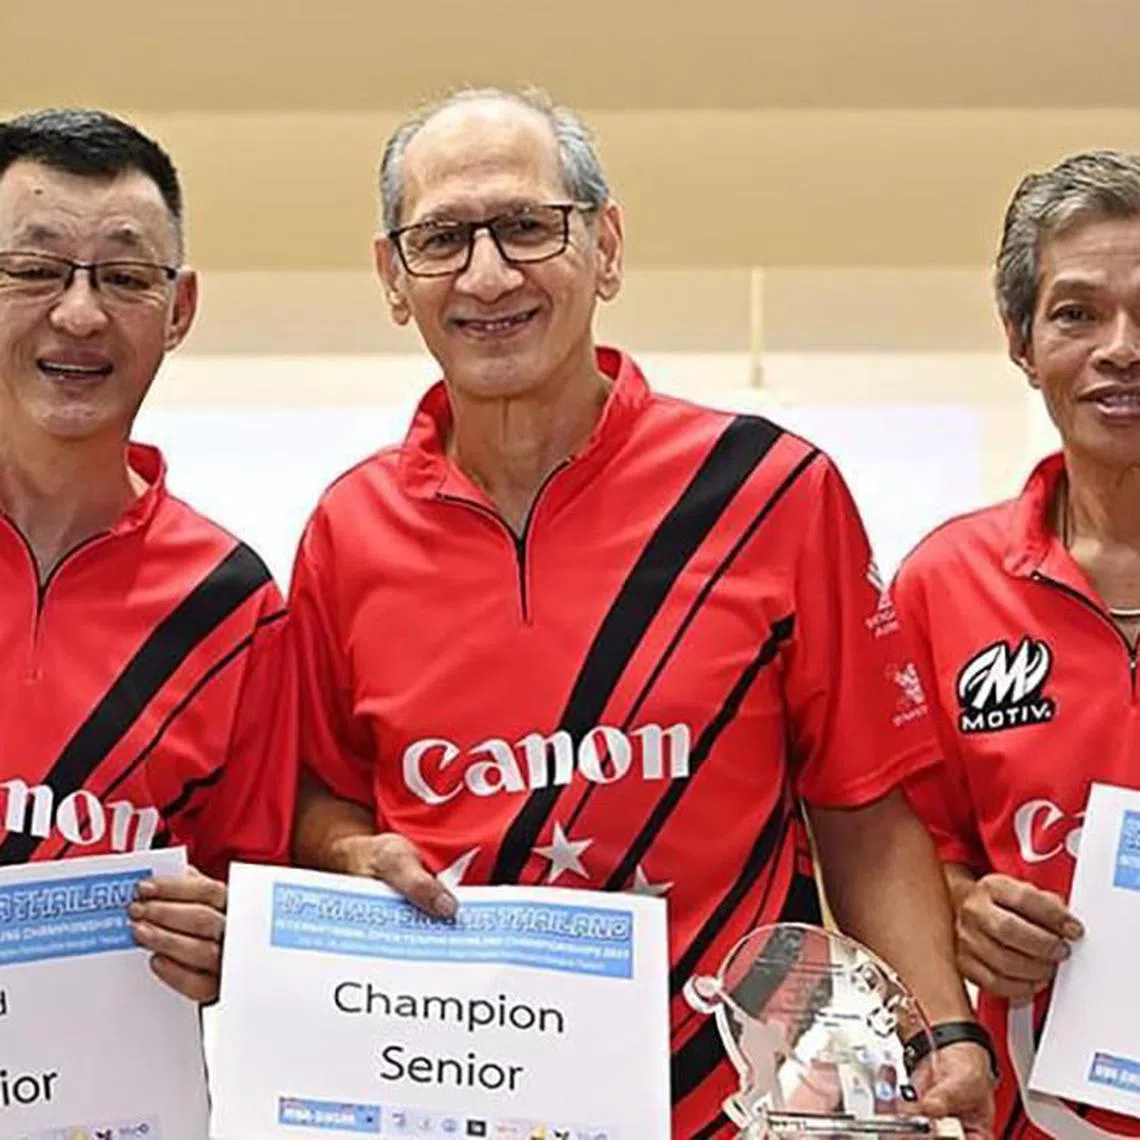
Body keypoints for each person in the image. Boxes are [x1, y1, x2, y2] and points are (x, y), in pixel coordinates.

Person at [289, 87, 995, 1137]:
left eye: (528, 227)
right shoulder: (346, 532)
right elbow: (315, 802)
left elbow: (863, 807)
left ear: (606, 246)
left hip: (745, 1108)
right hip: (456, 1099)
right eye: (441, 239)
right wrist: (350, 854)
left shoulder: (772, 489)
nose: (488, 275)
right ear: (395, 278)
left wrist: (948, 1034)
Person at [0, 108, 296, 1003]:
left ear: (180, 310)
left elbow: (254, 908)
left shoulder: (235, 608)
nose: (79, 313)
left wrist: (232, 950)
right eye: (33, 270)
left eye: (125, 277)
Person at [897, 149, 1140, 1140]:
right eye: (1077, 314)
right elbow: (903, 854)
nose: (1121, 348)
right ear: (1021, 342)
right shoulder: (942, 584)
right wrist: (963, 910)